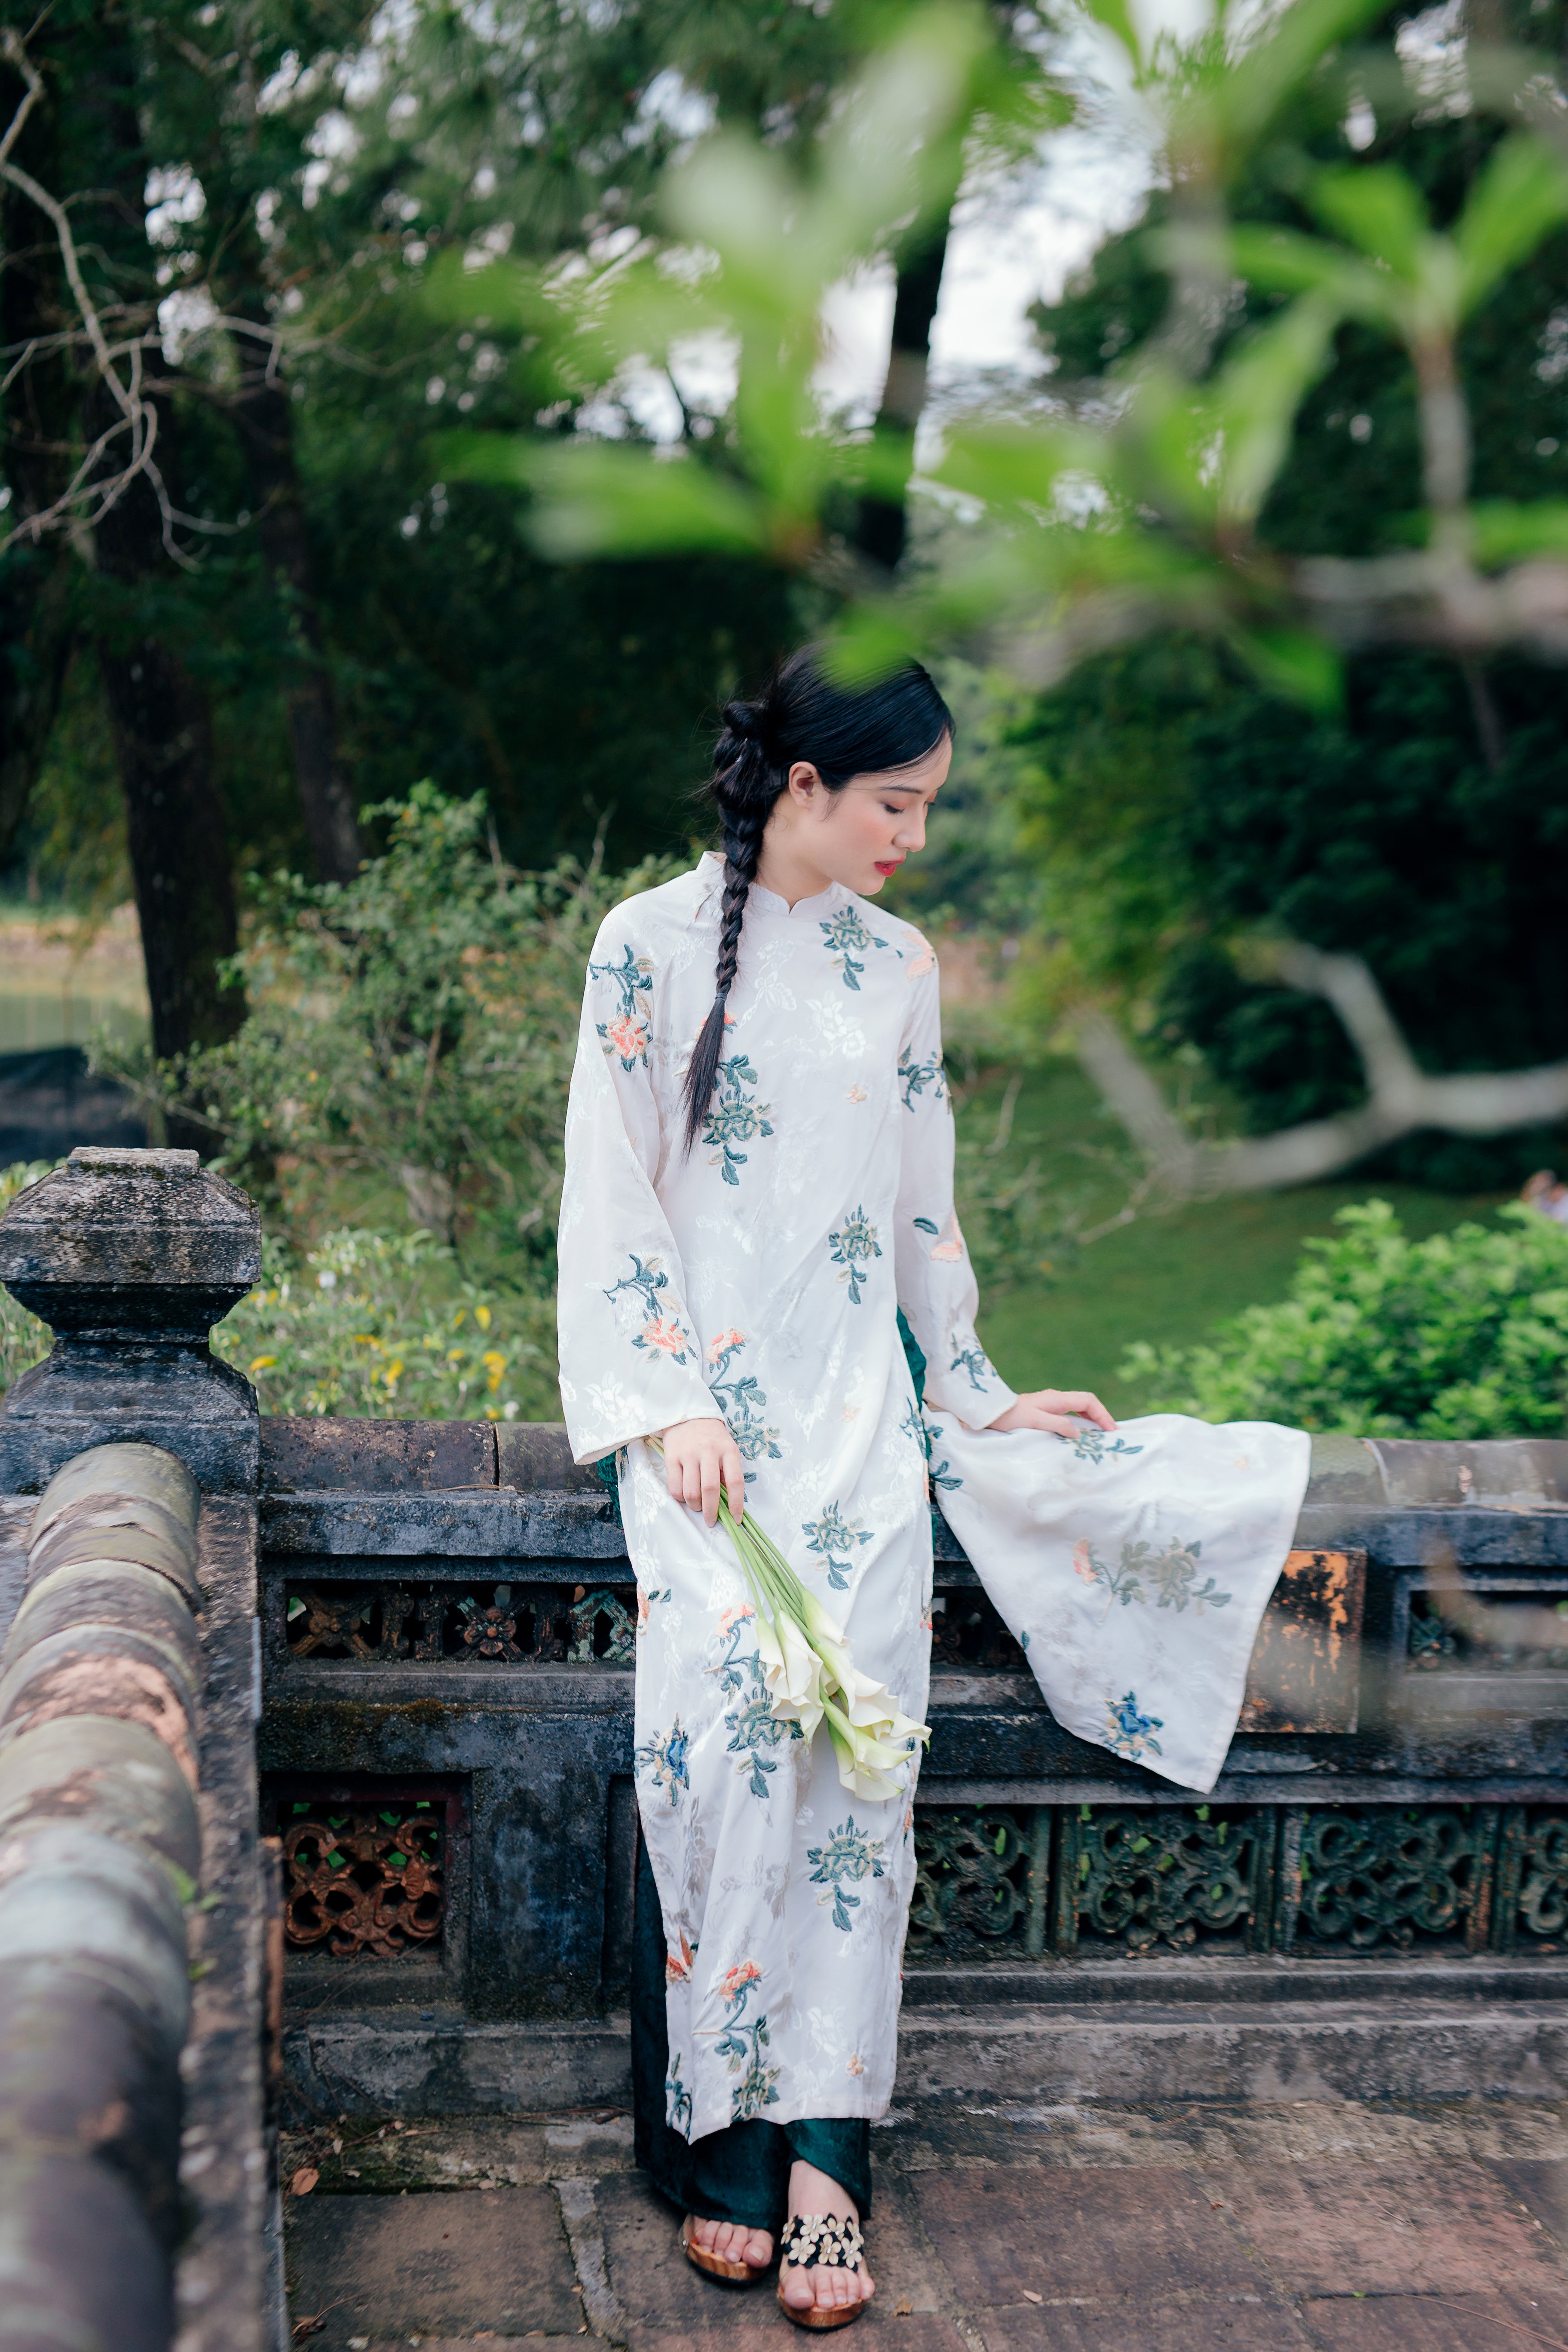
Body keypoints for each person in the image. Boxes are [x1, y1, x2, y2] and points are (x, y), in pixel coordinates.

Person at [557, 648, 1310, 2328]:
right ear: (807, 787)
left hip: (860, 1443)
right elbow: (611, 1201)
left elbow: (919, 1210)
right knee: (723, 1761)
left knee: (856, 1800)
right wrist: (664, 1397)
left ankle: (826, 2172)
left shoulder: (899, 968)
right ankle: (717, 2147)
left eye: (931, 810)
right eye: (898, 804)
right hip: (706, 1458)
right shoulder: (648, 948)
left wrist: (972, 1390)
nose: (915, 836)